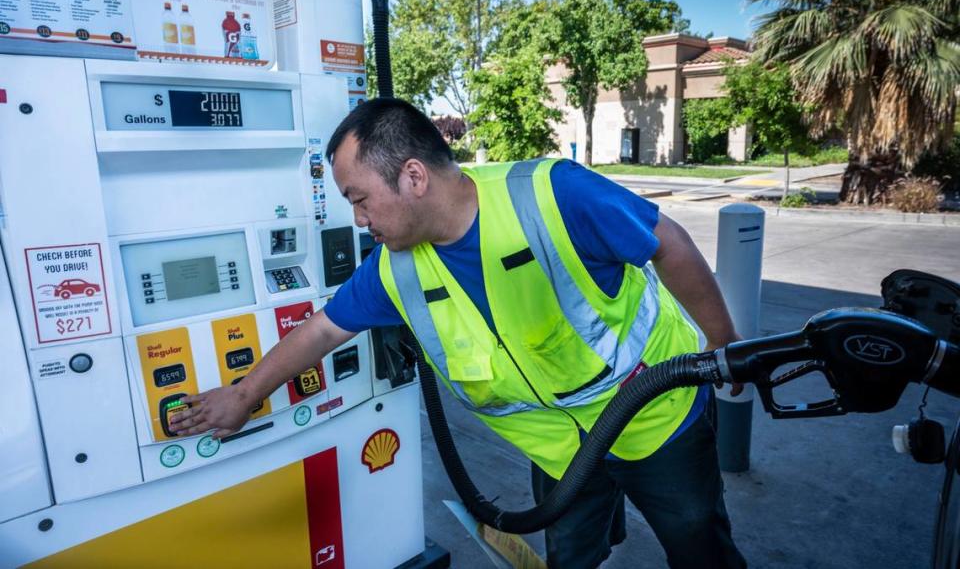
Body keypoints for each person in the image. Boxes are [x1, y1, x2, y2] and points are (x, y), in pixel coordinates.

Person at [170, 98, 747, 569]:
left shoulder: (552, 196)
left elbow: (666, 242)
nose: (358, 219)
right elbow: (322, 330)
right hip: (559, 446)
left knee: (698, 545)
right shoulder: (395, 268)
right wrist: (244, 395)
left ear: (413, 176)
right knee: (570, 555)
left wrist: (724, 348)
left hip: (656, 415)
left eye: (360, 199)